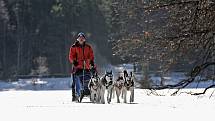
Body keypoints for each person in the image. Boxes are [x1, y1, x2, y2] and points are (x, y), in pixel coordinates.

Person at [69, 32, 95, 101]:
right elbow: (71, 56)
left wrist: (91, 62)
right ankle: (76, 94)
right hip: (77, 67)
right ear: (77, 39)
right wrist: (74, 61)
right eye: (80, 38)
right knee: (75, 80)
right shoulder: (74, 47)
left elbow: (91, 55)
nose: (81, 39)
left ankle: (90, 92)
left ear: (84, 39)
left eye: (82, 38)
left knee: (89, 79)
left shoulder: (88, 47)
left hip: (86, 66)